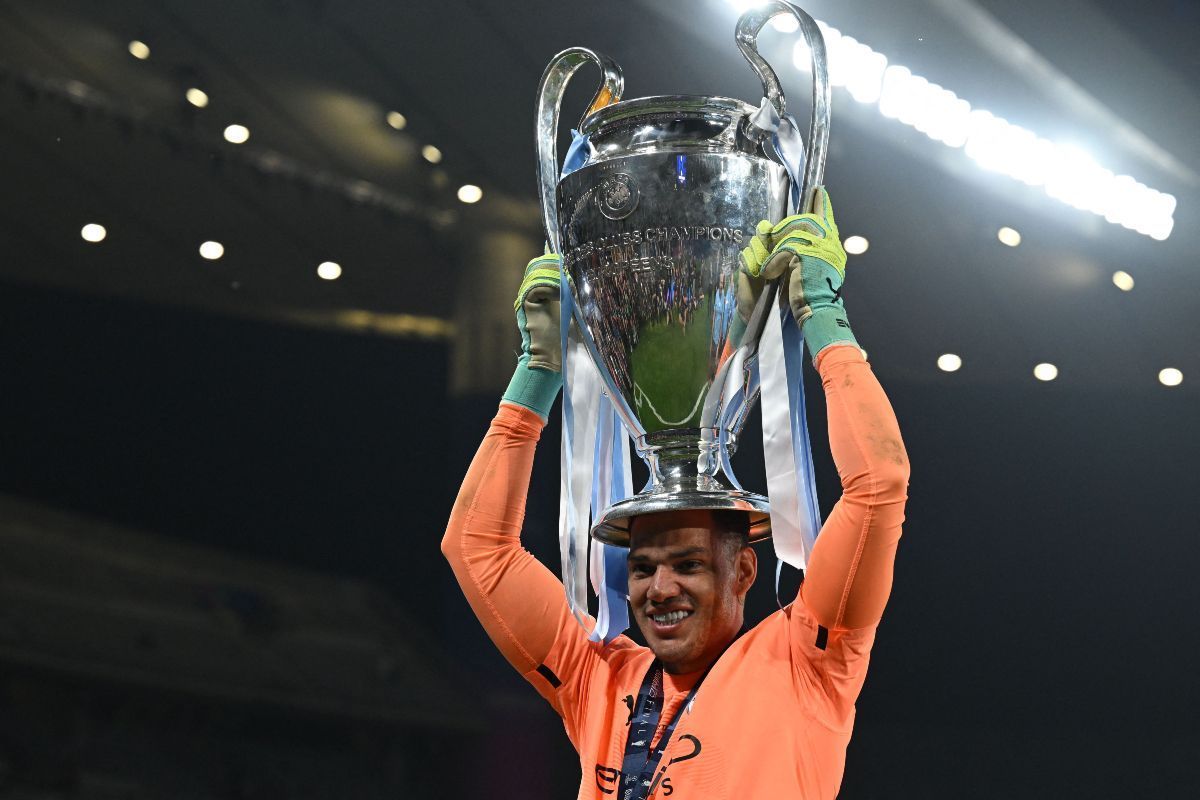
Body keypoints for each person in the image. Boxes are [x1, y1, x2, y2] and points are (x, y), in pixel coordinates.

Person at [443, 188, 909, 799]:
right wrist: (538, 373)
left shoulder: (807, 661)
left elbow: (879, 483)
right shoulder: (600, 683)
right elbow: (475, 546)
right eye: (642, 568)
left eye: (687, 564)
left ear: (743, 568)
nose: (658, 590)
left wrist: (822, 313)